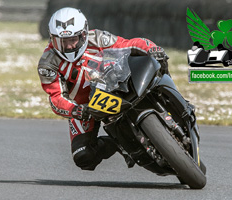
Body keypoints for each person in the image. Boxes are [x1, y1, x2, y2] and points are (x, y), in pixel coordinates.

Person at [37, 7, 169, 170]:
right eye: (62, 42)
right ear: (52, 39)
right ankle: (120, 143)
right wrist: (76, 110)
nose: (69, 46)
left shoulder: (98, 38)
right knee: (83, 156)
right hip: (84, 106)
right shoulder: (48, 63)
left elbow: (129, 44)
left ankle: (170, 100)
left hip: (114, 83)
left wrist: (152, 49)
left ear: (83, 34)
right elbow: (56, 98)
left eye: (73, 39)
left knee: (157, 62)